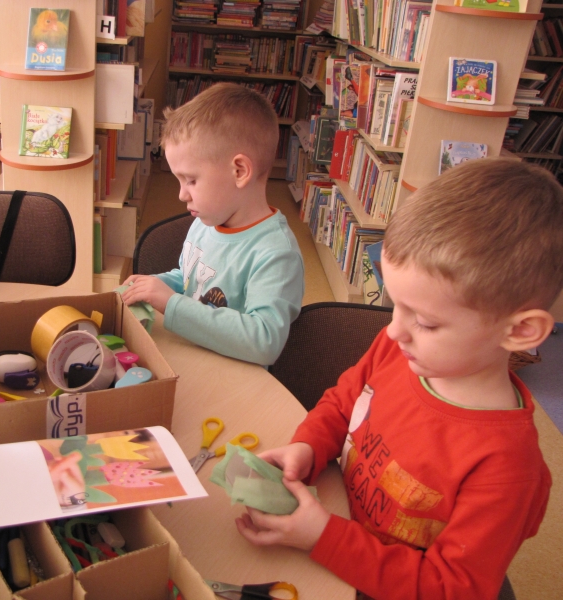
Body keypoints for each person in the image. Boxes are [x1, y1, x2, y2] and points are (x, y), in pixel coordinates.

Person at [235, 158, 560, 599]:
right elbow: (344, 402)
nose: (392, 330)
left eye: (424, 321)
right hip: (337, 530)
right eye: (395, 306)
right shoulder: (403, 350)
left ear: (520, 331)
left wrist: (324, 537)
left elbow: (452, 589)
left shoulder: (507, 468)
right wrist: (309, 445)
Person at [121, 83, 304, 366]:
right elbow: (191, 279)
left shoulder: (277, 253)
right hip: (192, 354)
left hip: (233, 375)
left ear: (239, 171)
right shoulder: (206, 222)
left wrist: (171, 303)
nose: (181, 195)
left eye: (191, 180)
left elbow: (264, 341)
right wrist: (157, 285)